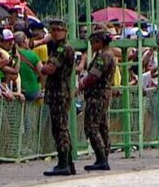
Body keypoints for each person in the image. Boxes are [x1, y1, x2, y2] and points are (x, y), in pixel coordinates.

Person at [41, 19, 77, 176]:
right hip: (58, 92)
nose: (55, 33)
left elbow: (50, 68)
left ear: (65, 31)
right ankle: (68, 162)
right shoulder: (58, 47)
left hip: (59, 93)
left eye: (58, 30)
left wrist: (40, 66)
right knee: (61, 128)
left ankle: (64, 163)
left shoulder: (63, 49)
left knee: (60, 129)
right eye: (52, 30)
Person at [78, 29, 116, 171]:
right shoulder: (108, 55)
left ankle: (101, 158)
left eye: (93, 42)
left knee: (92, 126)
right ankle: (104, 156)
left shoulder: (102, 57)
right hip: (103, 94)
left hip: (97, 95)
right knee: (102, 126)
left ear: (99, 42)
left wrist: (82, 83)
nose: (92, 45)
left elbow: (93, 75)